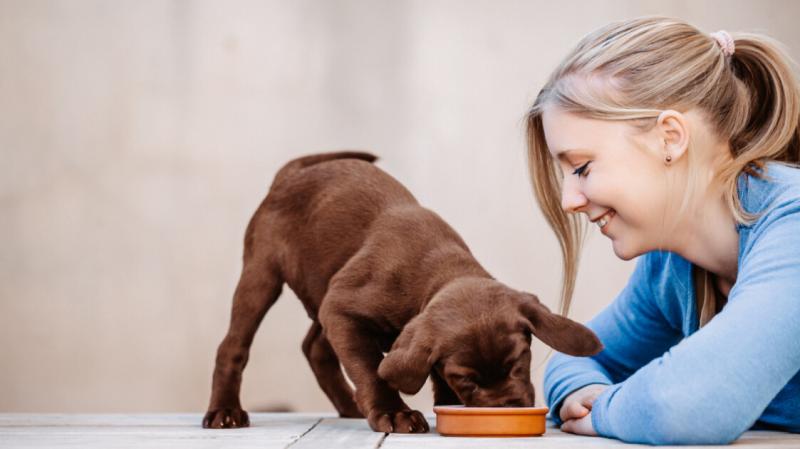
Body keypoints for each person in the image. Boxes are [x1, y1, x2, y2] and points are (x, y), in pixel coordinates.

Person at [526, 16, 800, 445]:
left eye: (581, 167)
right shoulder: (670, 268)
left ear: (670, 138)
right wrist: (585, 393)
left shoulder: (793, 224)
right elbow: (575, 357)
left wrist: (607, 412)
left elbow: (690, 404)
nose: (569, 201)